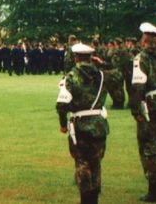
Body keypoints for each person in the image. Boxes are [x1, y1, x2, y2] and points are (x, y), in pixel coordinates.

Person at [56, 43, 109, 204]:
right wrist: (104, 64)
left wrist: (63, 124)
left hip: (80, 125)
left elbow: (61, 104)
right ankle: (94, 199)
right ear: (91, 57)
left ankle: (86, 200)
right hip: (99, 123)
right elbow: (119, 74)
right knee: (96, 162)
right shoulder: (102, 75)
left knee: (82, 162)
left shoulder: (70, 77)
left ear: (75, 57)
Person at [130, 22, 156, 202]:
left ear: (145, 39)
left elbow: (138, 86)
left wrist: (136, 110)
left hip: (149, 104)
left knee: (148, 147)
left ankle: (154, 190)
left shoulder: (141, 58)